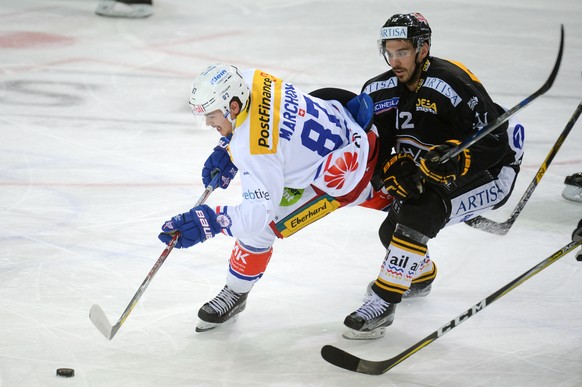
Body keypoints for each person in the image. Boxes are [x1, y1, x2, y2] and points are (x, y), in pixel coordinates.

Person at [158, 64, 392, 332]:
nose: (210, 123)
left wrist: (208, 222)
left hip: (346, 176)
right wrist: (227, 145)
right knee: (402, 214)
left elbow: (256, 217)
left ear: (233, 107)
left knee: (261, 231)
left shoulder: (255, 149)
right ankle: (414, 259)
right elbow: (269, 125)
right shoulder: (251, 78)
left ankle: (236, 291)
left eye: (212, 116)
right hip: (348, 131)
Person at [342, 12, 525, 339]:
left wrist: (456, 160)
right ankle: (420, 276)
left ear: (423, 49)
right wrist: (391, 168)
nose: (395, 60)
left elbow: (495, 141)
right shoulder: (379, 90)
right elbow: (377, 147)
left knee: (421, 207)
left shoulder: (451, 82)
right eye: (390, 51)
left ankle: (383, 302)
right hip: (431, 173)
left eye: (403, 52)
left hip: (492, 171)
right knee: (393, 232)